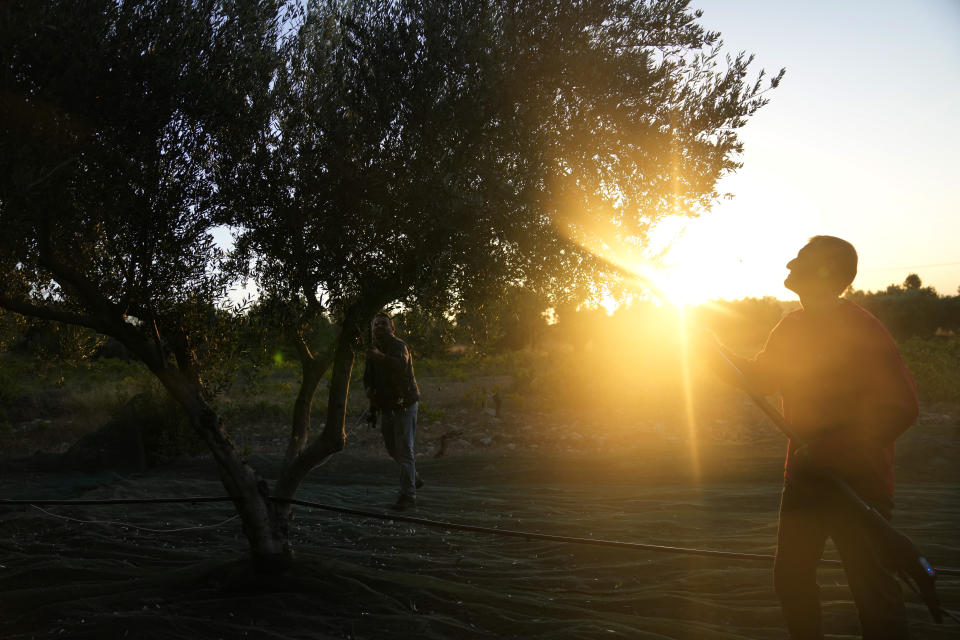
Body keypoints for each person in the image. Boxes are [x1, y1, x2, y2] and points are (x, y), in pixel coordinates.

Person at [705, 236, 919, 639]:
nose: (789, 265)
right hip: (804, 480)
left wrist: (832, 451)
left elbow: (902, 407)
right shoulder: (792, 326)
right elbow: (761, 378)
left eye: (801, 260)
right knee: (791, 580)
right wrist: (712, 352)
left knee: (872, 591)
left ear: (826, 273)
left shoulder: (862, 330)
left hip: (859, 485)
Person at [363, 312, 423, 510]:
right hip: (387, 407)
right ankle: (413, 477)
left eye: (384, 324)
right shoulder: (372, 351)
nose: (380, 327)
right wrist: (372, 406)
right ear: (372, 329)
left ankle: (408, 496)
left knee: (405, 449)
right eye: (376, 324)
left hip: (405, 404)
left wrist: (379, 357)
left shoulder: (399, 346)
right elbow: (369, 380)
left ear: (392, 328)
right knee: (391, 448)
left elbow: (399, 365)